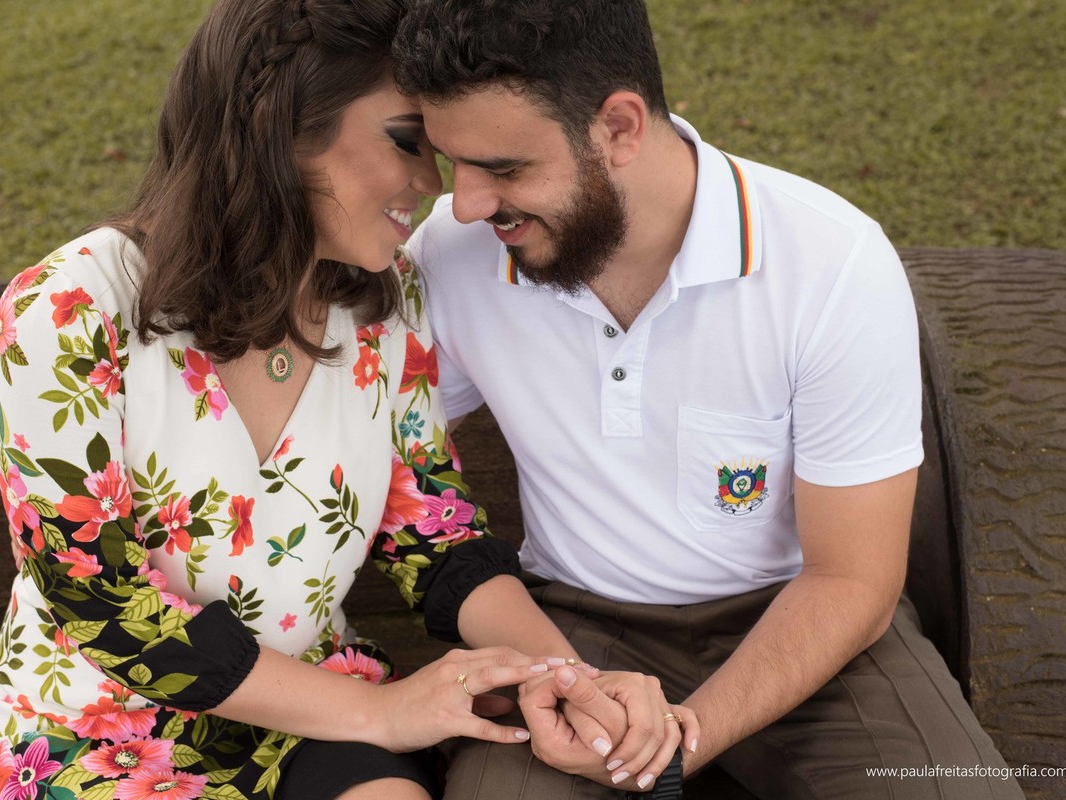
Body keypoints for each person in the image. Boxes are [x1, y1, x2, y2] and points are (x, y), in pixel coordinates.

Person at [0, 2, 693, 799]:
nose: (433, 185)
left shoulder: (385, 299)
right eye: (406, 139)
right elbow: (103, 605)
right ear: (279, 129)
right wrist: (381, 713)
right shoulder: (70, 308)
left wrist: (573, 684)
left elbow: (436, 539)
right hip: (97, 735)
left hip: (312, 724)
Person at [392, 1, 1024, 798]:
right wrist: (568, 680)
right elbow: (370, 442)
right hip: (570, 626)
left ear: (619, 127)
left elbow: (853, 581)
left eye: (505, 168)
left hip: (803, 627)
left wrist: (678, 742)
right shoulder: (454, 252)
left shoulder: (832, 264)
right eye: (456, 165)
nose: (470, 202)